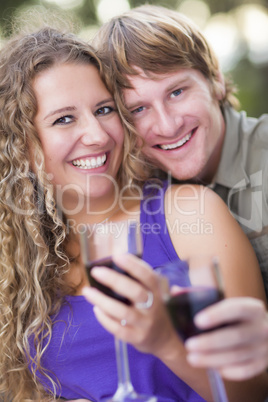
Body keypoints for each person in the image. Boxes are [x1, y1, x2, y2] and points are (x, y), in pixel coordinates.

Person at [0, 22, 267, 402]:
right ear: (20, 146)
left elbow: (255, 391)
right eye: (64, 118)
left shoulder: (189, 215)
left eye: (104, 109)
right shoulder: (17, 257)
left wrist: (166, 342)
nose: (97, 135)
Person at [92, 4, 268, 381]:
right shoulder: (144, 198)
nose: (167, 125)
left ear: (216, 80)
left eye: (176, 92)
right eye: (137, 109)